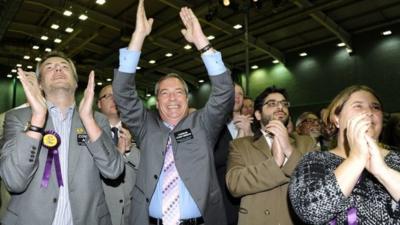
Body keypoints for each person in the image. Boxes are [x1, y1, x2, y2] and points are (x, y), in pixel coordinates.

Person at [112, 1, 234, 225]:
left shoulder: (203, 124)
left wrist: (201, 42)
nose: (172, 98)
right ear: (157, 102)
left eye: (179, 92)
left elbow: (225, 92)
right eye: (165, 93)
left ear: (187, 100)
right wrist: (138, 37)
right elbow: (122, 92)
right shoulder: (145, 126)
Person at [0, 51, 124, 225]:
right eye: (49, 67)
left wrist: (88, 120)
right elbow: (14, 181)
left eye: (64, 67)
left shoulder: (97, 120)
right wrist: (36, 119)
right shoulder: (17, 118)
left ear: (75, 83)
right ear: (40, 84)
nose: (58, 69)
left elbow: (114, 171)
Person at [289, 85, 400, 224]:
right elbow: (311, 212)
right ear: (336, 118)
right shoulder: (315, 161)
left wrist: (383, 171)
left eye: (376, 107)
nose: (369, 112)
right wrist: (356, 159)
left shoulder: (396, 158)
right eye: (358, 106)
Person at [226, 86, 315, 225]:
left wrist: (288, 149)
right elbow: (234, 184)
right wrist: (275, 163)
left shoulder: (306, 142)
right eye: (272, 104)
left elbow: (316, 180)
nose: (280, 107)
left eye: (284, 103)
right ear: (258, 115)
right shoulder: (241, 145)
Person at [97, 85, 140, 225]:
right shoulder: (90, 132)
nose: (114, 99)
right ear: (99, 103)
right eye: (108, 96)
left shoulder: (139, 130)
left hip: (132, 212)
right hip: (102, 212)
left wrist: (128, 151)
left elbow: (146, 169)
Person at [214, 83, 252, 225]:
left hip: (249, 194)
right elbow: (213, 159)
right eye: (233, 92)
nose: (237, 97)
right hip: (223, 196)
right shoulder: (214, 126)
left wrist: (249, 135)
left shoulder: (252, 126)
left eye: (240, 94)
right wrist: (239, 140)